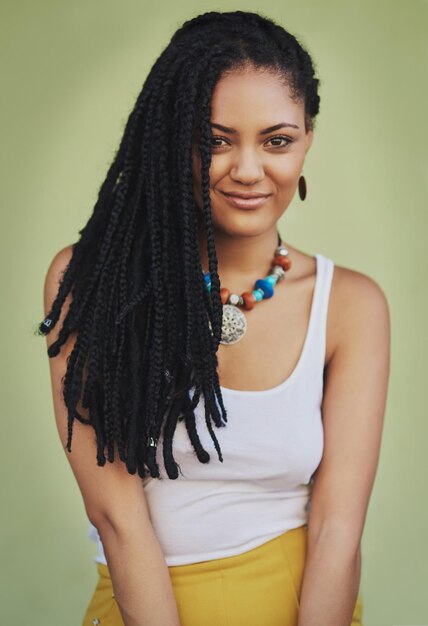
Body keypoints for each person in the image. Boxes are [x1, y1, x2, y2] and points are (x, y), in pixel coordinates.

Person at [40, 10, 390, 626]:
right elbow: (118, 519)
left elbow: (338, 529)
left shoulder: (352, 306)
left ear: (308, 138)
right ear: (171, 140)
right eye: (216, 139)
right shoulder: (93, 281)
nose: (249, 170)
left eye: (277, 140)